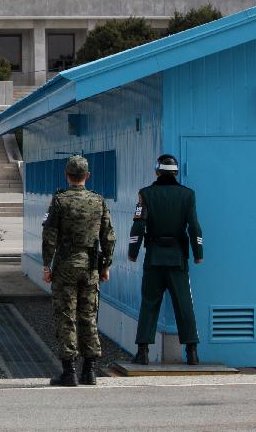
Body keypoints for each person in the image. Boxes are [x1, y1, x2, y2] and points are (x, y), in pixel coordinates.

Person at [42, 155, 115, 386]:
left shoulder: (60, 201)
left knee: (66, 317)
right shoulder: (98, 201)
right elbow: (109, 236)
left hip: (65, 266)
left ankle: (69, 371)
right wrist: (106, 266)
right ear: (87, 176)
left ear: (67, 176)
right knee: (88, 316)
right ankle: (90, 371)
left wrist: (46, 265)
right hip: (91, 265)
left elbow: (50, 236)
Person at [128, 154, 203, 366]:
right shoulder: (188, 195)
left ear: (157, 172)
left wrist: (133, 251)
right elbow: (194, 227)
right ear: (176, 173)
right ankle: (192, 352)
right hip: (178, 258)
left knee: (149, 303)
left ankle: (142, 352)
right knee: (184, 305)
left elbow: (138, 225)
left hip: (153, 258)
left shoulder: (146, 194)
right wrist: (198, 253)